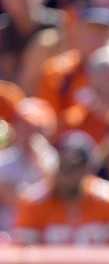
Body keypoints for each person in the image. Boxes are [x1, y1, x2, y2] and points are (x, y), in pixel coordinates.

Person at [13, 133, 109, 245]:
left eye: (75, 167)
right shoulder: (34, 201)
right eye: (63, 166)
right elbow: (25, 257)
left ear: (89, 169)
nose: (67, 174)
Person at [0, 97, 57, 232]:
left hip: (45, 235)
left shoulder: (53, 160)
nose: (26, 132)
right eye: (21, 124)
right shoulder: (3, 161)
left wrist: (39, 162)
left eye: (33, 127)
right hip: (9, 235)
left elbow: (56, 198)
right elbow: (15, 200)